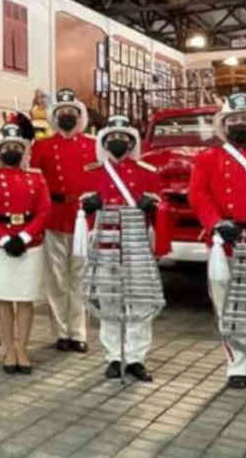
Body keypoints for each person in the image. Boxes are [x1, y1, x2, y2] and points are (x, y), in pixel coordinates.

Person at [80, 115, 169, 382]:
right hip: (105, 246)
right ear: (105, 142)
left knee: (139, 303)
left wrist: (152, 207)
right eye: (113, 138)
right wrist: (88, 208)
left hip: (136, 246)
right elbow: (80, 214)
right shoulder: (93, 172)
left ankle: (136, 358)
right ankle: (113, 356)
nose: (118, 142)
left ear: (132, 142)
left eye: (123, 138)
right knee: (109, 302)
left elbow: (162, 209)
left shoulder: (146, 173)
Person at [0, 122, 50, 375]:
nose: (11, 150)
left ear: (23, 150)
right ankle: (8, 348)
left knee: (26, 298)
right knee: (5, 297)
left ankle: (23, 347)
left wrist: (25, 236)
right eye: (6, 146)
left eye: (16, 146)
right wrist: (5, 239)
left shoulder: (36, 177)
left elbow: (44, 211)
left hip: (29, 243)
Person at [30, 88, 96, 354]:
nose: (67, 115)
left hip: (83, 219)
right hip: (54, 217)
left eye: (72, 112)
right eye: (62, 112)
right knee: (56, 279)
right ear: (54, 116)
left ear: (79, 116)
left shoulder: (93, 145)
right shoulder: (43, 146)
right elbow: (35, 183)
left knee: (80, 277)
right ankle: (61, 332)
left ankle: (78, 332)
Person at [189, 92, 246, 390]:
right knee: (227, 306)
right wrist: (216, 223)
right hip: (225, 240)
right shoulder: (208, 158)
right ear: (223, 124)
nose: (239, 123)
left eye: (244, 118)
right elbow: (198, 195)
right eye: (233, 119)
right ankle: (237, 364)